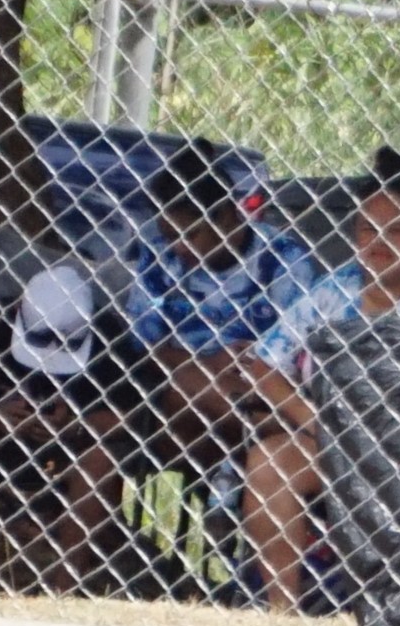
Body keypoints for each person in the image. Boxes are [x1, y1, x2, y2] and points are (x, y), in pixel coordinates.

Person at [240, 146, 400, 611]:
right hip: (336, 443)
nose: (380, 243)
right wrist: (310, 415)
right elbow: (263, 363)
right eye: (369, 229)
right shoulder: (333, 290)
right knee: (269, 464)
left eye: (398, 231)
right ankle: (282, 611)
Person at [0, 257, 129, 590]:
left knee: (100, 462)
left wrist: (76, 424)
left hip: (73, 445)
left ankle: (65, 586)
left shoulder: (109, 335)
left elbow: (129, 412)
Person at [122, 139, 316, 453]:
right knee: (190, 386)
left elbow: (302, 354)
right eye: (170, 236)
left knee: (208, 390)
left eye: (190, 234)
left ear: (225, 217)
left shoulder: (282, 259)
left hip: (266, 390)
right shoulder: (159, 258)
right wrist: (211, 363)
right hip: (181, 402)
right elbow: (142, 352)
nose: (178, 248)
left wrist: (255, 364)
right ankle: (308, 439)